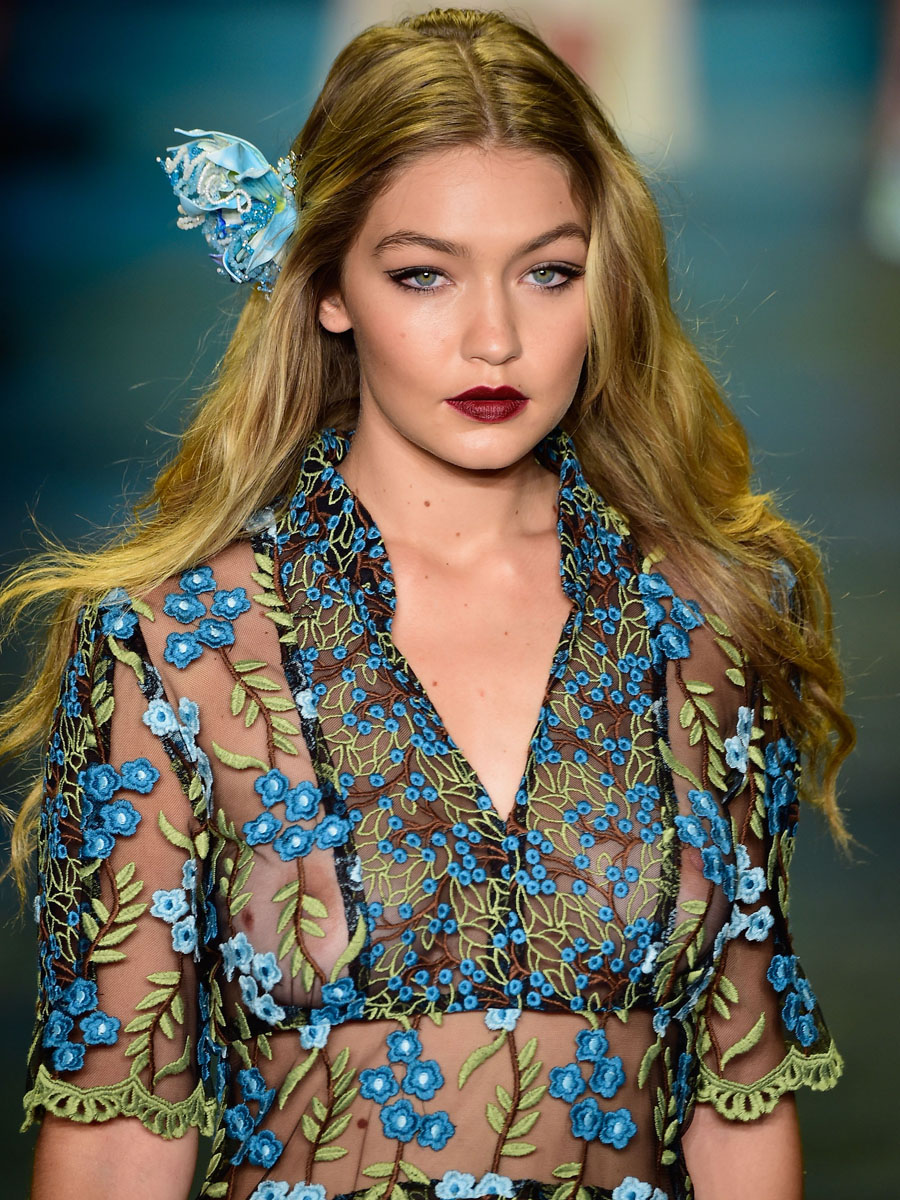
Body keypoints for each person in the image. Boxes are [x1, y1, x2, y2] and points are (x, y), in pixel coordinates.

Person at [0, 9, 853, 1200]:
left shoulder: (709, 618)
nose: (494, 338)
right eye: (423, 274)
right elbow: (117, 1133)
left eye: (549, 272)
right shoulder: (173, 645)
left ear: (605, 284)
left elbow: (734, 1099)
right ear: (329, 287)